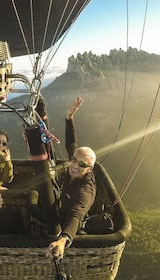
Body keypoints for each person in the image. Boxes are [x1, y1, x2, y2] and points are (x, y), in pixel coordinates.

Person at [47, 96, 97, 260]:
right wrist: (69, 117)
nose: (75, 165)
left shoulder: (85, 190)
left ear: (89, 169)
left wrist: (63, 239)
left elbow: (77, 212)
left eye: (82, 165)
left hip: (68, 223)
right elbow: (71, 144)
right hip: (63, 207)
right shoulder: (76, 165)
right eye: (73, 160)